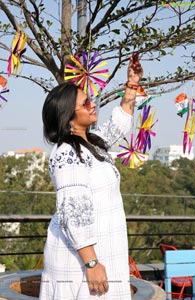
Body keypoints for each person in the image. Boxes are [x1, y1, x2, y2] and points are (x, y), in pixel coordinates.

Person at [39, 56, 143, 300]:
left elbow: (118, 124)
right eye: (86, 103)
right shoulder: (67, 152)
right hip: (78, 262)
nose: (92, 104)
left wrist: (132, 84)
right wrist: (92, 263)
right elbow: (72, 211)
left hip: (98, 253)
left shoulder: (92, 143)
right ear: (68, 116)